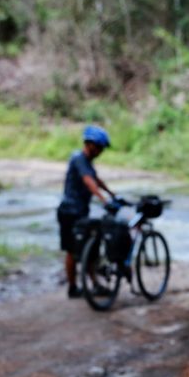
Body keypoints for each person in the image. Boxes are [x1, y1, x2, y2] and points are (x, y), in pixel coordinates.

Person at [57, 125, 115, 298]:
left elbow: (96, 179)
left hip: (80, 212)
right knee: (72, 250)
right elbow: (89, 182)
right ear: (90, 144)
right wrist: (103, 200)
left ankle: (93, 285)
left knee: (87, 249)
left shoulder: (86, 161)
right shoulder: (79, 159)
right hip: (69, 212)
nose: (101, 151)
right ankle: (74, 287)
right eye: (99, 147)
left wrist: (112, 194)